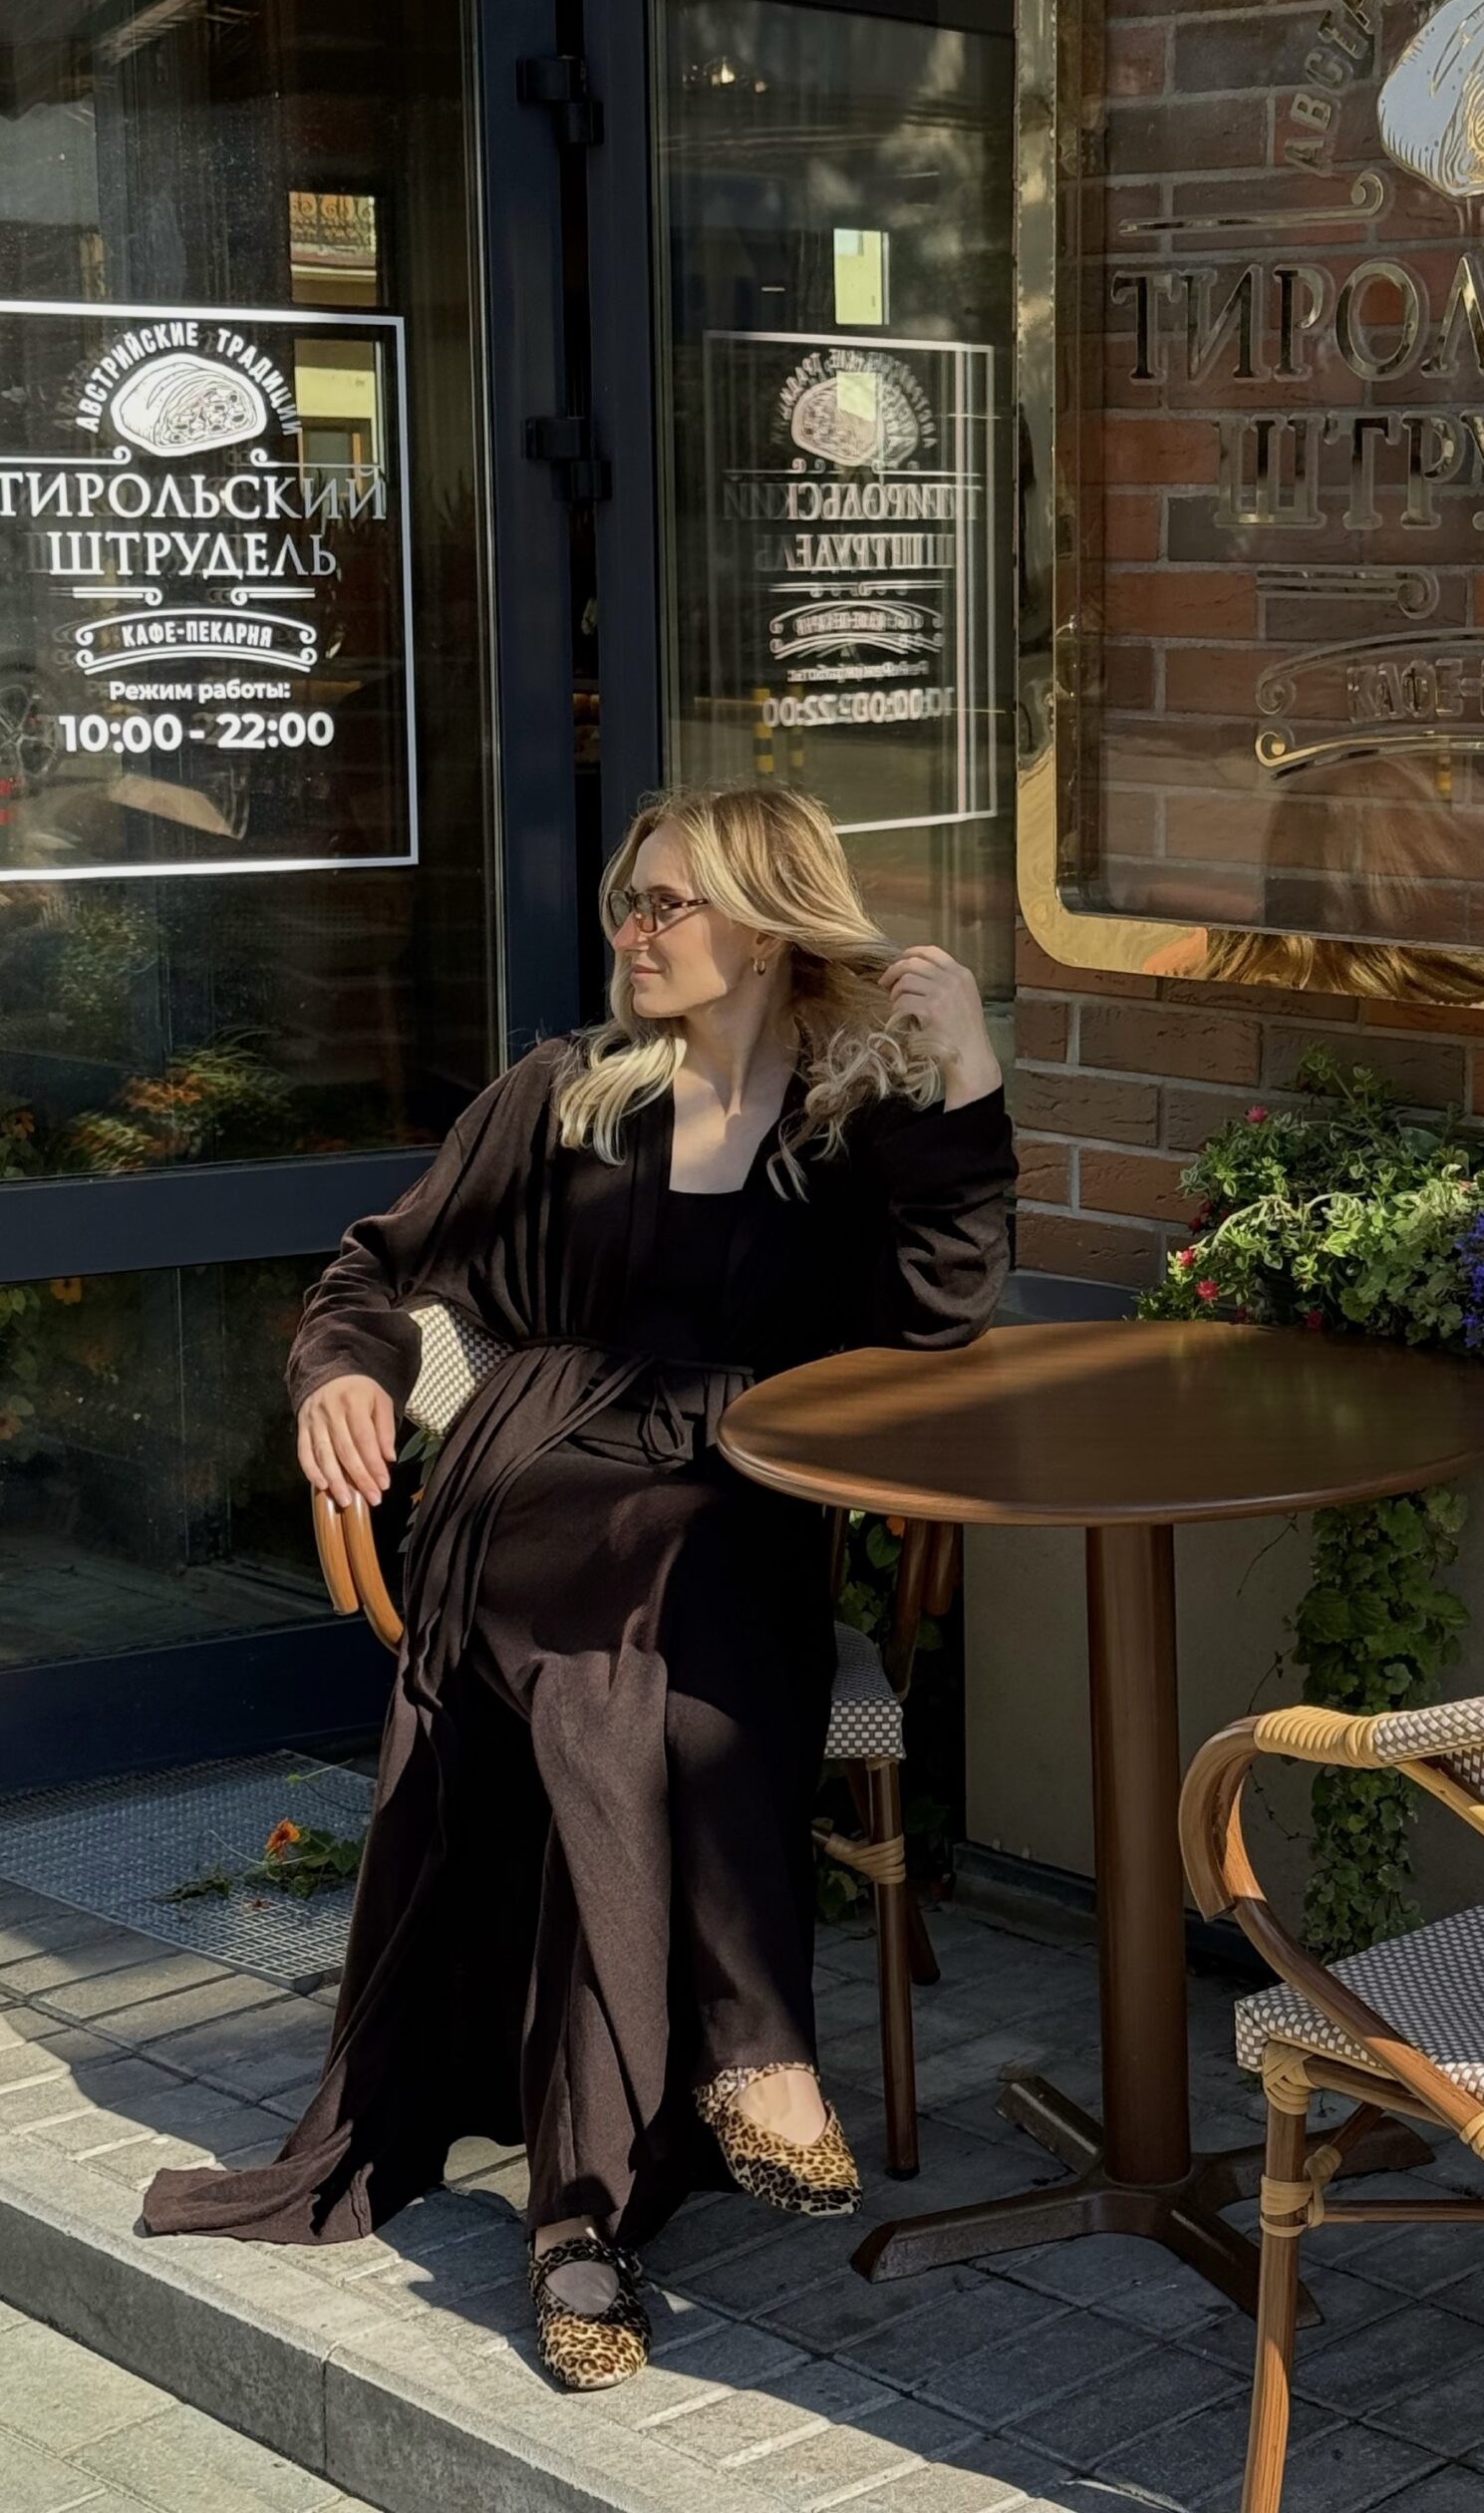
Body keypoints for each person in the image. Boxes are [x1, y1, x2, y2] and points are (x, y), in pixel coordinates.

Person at [142, 784, 1017, 2393]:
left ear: (766, 925)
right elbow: (377, 1268)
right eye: (631, 899)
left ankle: (585, 2215)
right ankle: (745, 2055)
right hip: (540, 1486)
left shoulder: (846, 1129)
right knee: (647, 1632)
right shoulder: (563, 1097)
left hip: (735, 1507)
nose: (634, 927)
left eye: (668, 902)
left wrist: (966, 1074)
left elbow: (938, 1324)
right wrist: (344, 1372)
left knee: (636, 1694)